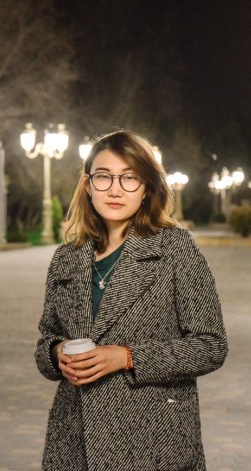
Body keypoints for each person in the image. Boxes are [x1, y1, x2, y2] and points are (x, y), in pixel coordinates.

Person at [34, 130, 228, 470]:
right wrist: (56, 353)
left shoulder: (174, 248)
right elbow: (46, 340)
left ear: (147, 188)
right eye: (104, 176)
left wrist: (127, 357)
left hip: (152, 439)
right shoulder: (67, 258)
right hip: (75, 440)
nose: (115, 189)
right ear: (88, 185)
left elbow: (211, 345)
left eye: (129, 178)